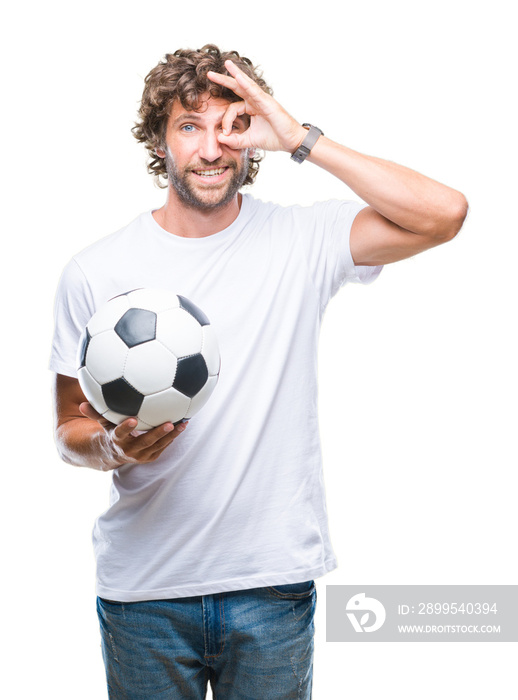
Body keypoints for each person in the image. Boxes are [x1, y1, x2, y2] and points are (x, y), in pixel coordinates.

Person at [50, 44, 468, 699]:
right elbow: (69, 424)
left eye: (232, 125)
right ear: (158, 142)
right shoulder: (96, 271)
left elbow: (444, 214)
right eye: (190, 126)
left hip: (271, 586)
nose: (212, 148)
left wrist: (300, 138)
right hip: (145, 595)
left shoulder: (303, 241)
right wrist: (109, 446)